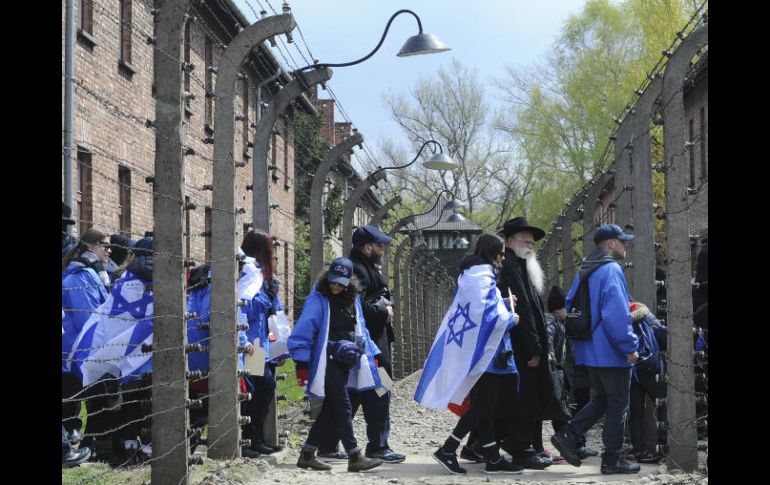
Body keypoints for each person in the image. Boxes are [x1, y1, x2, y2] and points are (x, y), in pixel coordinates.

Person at [416, 233, 522, 475]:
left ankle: (492, 458)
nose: (502, 258)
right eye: (501, 253)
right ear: (493, 253)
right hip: (487, 354)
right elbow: (486, 315)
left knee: (486, 407)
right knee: (483, 407)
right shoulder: (483, 277)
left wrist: (503, 302)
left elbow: (480, 308)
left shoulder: (472, 276)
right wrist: (510, 319)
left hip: (479, 350)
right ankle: (448, 448)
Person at [550, 223, 641, 474]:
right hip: (611, 351)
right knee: (618, 405)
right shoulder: (611, 269)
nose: (626, 245)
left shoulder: (585, 270)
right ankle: (612, 460)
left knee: (600, 399)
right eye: (622, 241)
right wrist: (629, 346)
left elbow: (569, 307)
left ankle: (568, 434)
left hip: (589, 351)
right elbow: (615, 314)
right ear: (611, 244)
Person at [288, 258, 384, 472]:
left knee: (331, 408)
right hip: (326, 360)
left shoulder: (353, 299)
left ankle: (307, 454)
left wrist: (371, 354)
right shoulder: (319, 298)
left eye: (340, 283)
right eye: (333, 281)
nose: (335, 286)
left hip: (345, 361)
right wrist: (301, 363)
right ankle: (355, 456)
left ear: (349, 282)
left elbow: (360, 328)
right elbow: (304, 329)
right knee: (343, 405)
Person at [326, 224, 404, 463]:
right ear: (368, 247)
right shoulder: (357, 270)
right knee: (380, 391)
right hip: (369, 346)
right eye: (380, 245)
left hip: (369, 344)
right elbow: (356, 306)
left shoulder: (363, 267)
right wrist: (383, 310)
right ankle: (378, 446)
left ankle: (328, 443)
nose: (383, 249)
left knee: (355, 393)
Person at [494, 217, 559, 470]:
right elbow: (522, 313)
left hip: (524, 345)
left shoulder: (519, 265)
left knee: (528, 398)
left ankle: (526, 446)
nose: (531, 246)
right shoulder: (510, 267)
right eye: (526, 241)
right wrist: (534, 347)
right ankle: (522, 450)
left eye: (532, 243)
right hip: (521, 348)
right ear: (510, 241)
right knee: (524, 399)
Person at [61, 229, 111, 451]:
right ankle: (90, 443)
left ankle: (89, 440)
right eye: (105, 245)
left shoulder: (92, 272)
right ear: (91, 247)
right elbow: (88, 319)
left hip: (80, 348)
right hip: (79, 349)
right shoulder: (82, 275)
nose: (109, 250)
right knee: (84, 396)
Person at [239, 230, 284, 457]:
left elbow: (276, 311)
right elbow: (249, 307)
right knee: (258, 389)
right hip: (252, 342)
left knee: (263, 389)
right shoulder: (248, 272)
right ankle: (248, 440)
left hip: (263, 342)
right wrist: (268, 296)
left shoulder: (263, 275)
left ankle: (257, 438)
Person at [546, 286, 598, 461]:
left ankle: (577, 445)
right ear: (557, 309)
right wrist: (551, 357)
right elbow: (549, 341)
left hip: (569, 375)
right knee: (563, 412)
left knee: (569, 411)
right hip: (563, 375)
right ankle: (571, 445)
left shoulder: (563, 324)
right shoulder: (552, 323)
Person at [628, 301, 667, 464]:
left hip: (631, 372)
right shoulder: (646, 316)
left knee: (636, 413)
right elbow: (664, 336)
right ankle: (664, 445)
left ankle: (639, 451)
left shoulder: (620, 318)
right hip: (651, 370)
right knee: (663, 405)